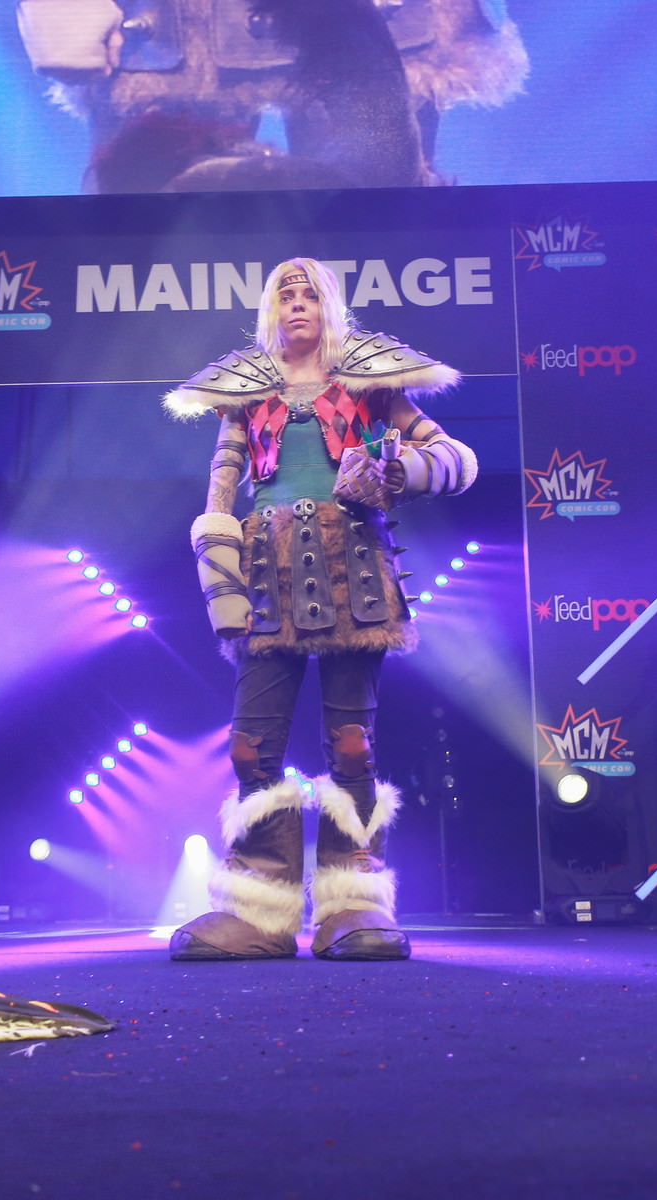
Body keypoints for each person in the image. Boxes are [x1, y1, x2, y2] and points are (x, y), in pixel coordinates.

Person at [161, 258, 476, 961]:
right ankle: (258, 909)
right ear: (271, 309)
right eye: (286, 294)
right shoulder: (245, 389)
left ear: (329, 305)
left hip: (353, 566)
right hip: (267, 572)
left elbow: (453, 455)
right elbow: (222, 487)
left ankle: (351, 901)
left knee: (352, 744)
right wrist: (219, 568)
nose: (298, 304)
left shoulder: (372, 380)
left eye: (309, 294)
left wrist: (403, 469)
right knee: (251, 746)